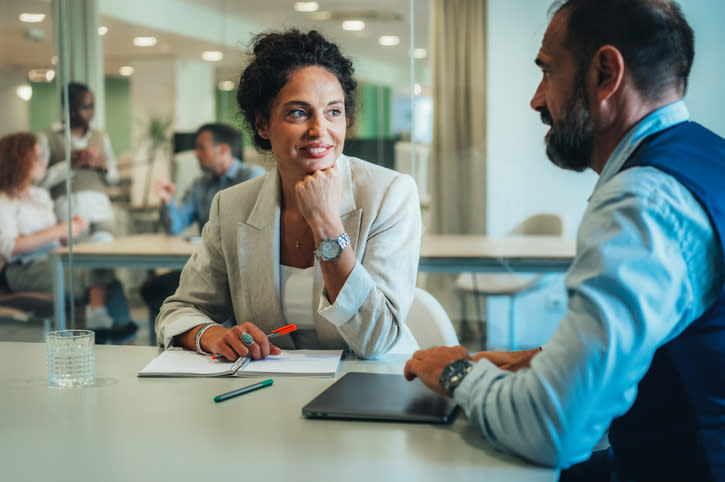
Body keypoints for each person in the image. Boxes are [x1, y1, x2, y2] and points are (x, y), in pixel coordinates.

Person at [404, 1, 725, 481]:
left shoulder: (644, 201)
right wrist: (541, 359)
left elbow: (552, 430)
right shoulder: (707, 158)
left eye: (548, 72)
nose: (536, 100)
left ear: (605, 73)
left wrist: (456, 373)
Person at [156, 29, 421, 359]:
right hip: (272, 391)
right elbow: (180, 310)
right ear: (263, 124)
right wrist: (212, 334)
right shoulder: (233, 205)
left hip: (373, 386)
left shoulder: (389, 195)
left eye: (333, 111)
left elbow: (377, 339)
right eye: (298, 112)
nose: (319, 129)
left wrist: (326, 224)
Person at [0, 133, 137, 344]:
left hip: (52, 261)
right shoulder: (4, 200)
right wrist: (58, 230)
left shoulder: (40, 195)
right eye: (37, 158)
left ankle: (102, 326)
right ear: (18, 160)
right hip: (23, 269)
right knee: (105, 278)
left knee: (102, 261)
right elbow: (9, 247)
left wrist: (67, 232)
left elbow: (53, 240)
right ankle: (113, 333)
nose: (45, 162)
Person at [139, 123, 266, 325]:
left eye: (201, 147)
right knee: (154, 288)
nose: (196, 154)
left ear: (223, 149)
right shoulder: (200, 184)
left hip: (243, 272)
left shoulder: (254, 178)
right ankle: (173, 345)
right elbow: (175, 225)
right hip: (209, 268)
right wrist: (166, 200)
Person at [37, 81, 118, 236]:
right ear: (69, 108)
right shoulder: (47, 137)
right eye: (85, 108)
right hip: (68, 212)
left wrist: (103, 167)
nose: (91, 113)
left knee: (107, 255)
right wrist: (71, 165)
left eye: (92, 107)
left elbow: (115, 178)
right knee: (76, 259)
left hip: (101, 211)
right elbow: (40, 181)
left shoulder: (101, 136)